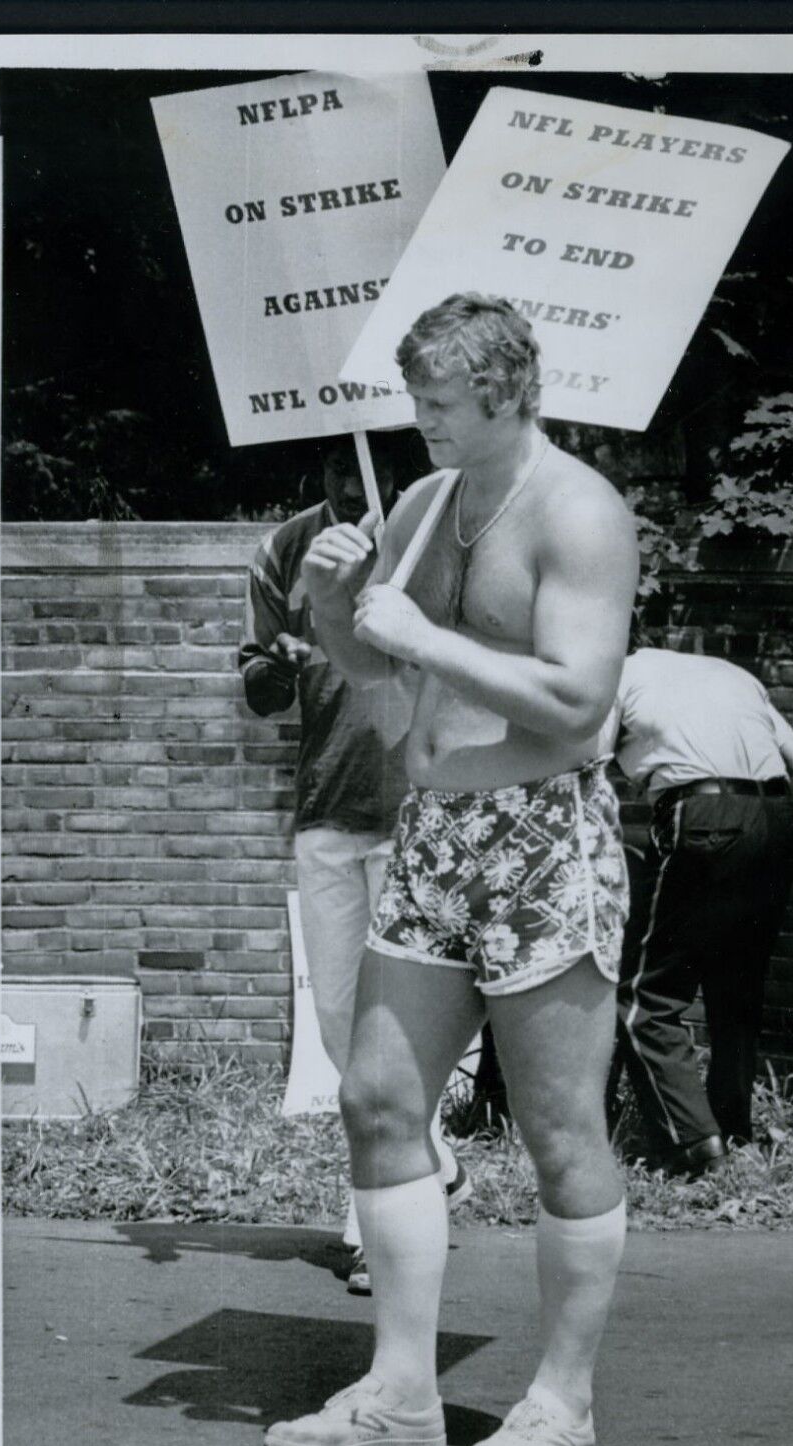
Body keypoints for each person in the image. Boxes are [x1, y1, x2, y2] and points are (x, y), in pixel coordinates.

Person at [262, 293, 638, 1446]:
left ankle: (561, 1402)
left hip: (542, 838)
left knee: (558, 1128)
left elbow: (578, 703)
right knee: (377, 1100)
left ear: (506, 395)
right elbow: (370, 656)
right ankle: (401, 1396)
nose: (418, 419)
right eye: (415, 398)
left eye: (439, 404)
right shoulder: (425, 502)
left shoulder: (581, 512)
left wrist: (423, 642)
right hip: (433, 838)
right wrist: (332, 599)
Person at [238, 436, 471, 1296]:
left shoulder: (447, 532)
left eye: (367, 464)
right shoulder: (286, 548)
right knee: (339, 1023)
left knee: (404, 1028)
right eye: (334, 464)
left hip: (423, 810)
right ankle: (432, 1161)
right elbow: (257, 687)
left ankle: (375, 1219)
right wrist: (282, 663)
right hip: (328, 811)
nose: (349, 481)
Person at [609, 645, 793, 1174]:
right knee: (737, 988)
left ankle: (694, 1144)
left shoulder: (617, 673)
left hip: (699, 813)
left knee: (643, 998)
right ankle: (733, 1128)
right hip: (775, 818)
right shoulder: (734, 673)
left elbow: (584, 764)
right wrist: (759, 832)